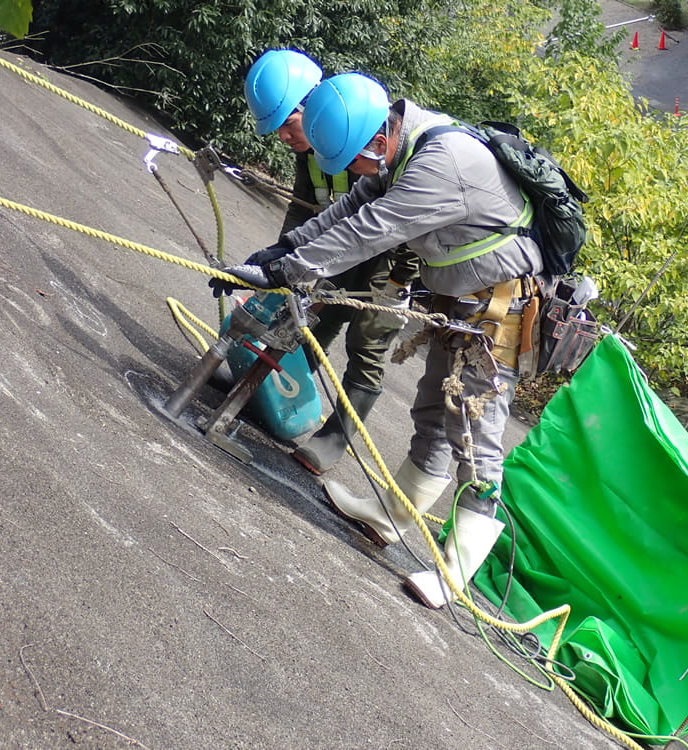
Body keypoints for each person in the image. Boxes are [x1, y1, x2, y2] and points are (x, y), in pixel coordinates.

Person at [210, 72, 543, 609]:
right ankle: (391, 518)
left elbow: (372, 229)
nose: (353, 175)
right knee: (434, 413)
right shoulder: (405, 142)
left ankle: (453, 577)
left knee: (476, 436)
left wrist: (286, 272)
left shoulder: (439, 166)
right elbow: (350, 210)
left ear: (378, 142)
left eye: (355, 163)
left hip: (502, 313)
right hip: (464, 304)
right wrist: (276, 255)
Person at [242, 49, 420, 474]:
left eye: (287, 125)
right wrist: (282, 256)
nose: (285, 139)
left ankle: (335, 438)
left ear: (313, 105)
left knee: (369, 343)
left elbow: (409, 223)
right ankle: (277, 394)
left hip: (388, 262)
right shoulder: (313, 152)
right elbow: (306, 209)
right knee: (308, 320)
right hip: (334, 252)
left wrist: (401, 281)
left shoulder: (364, 136)